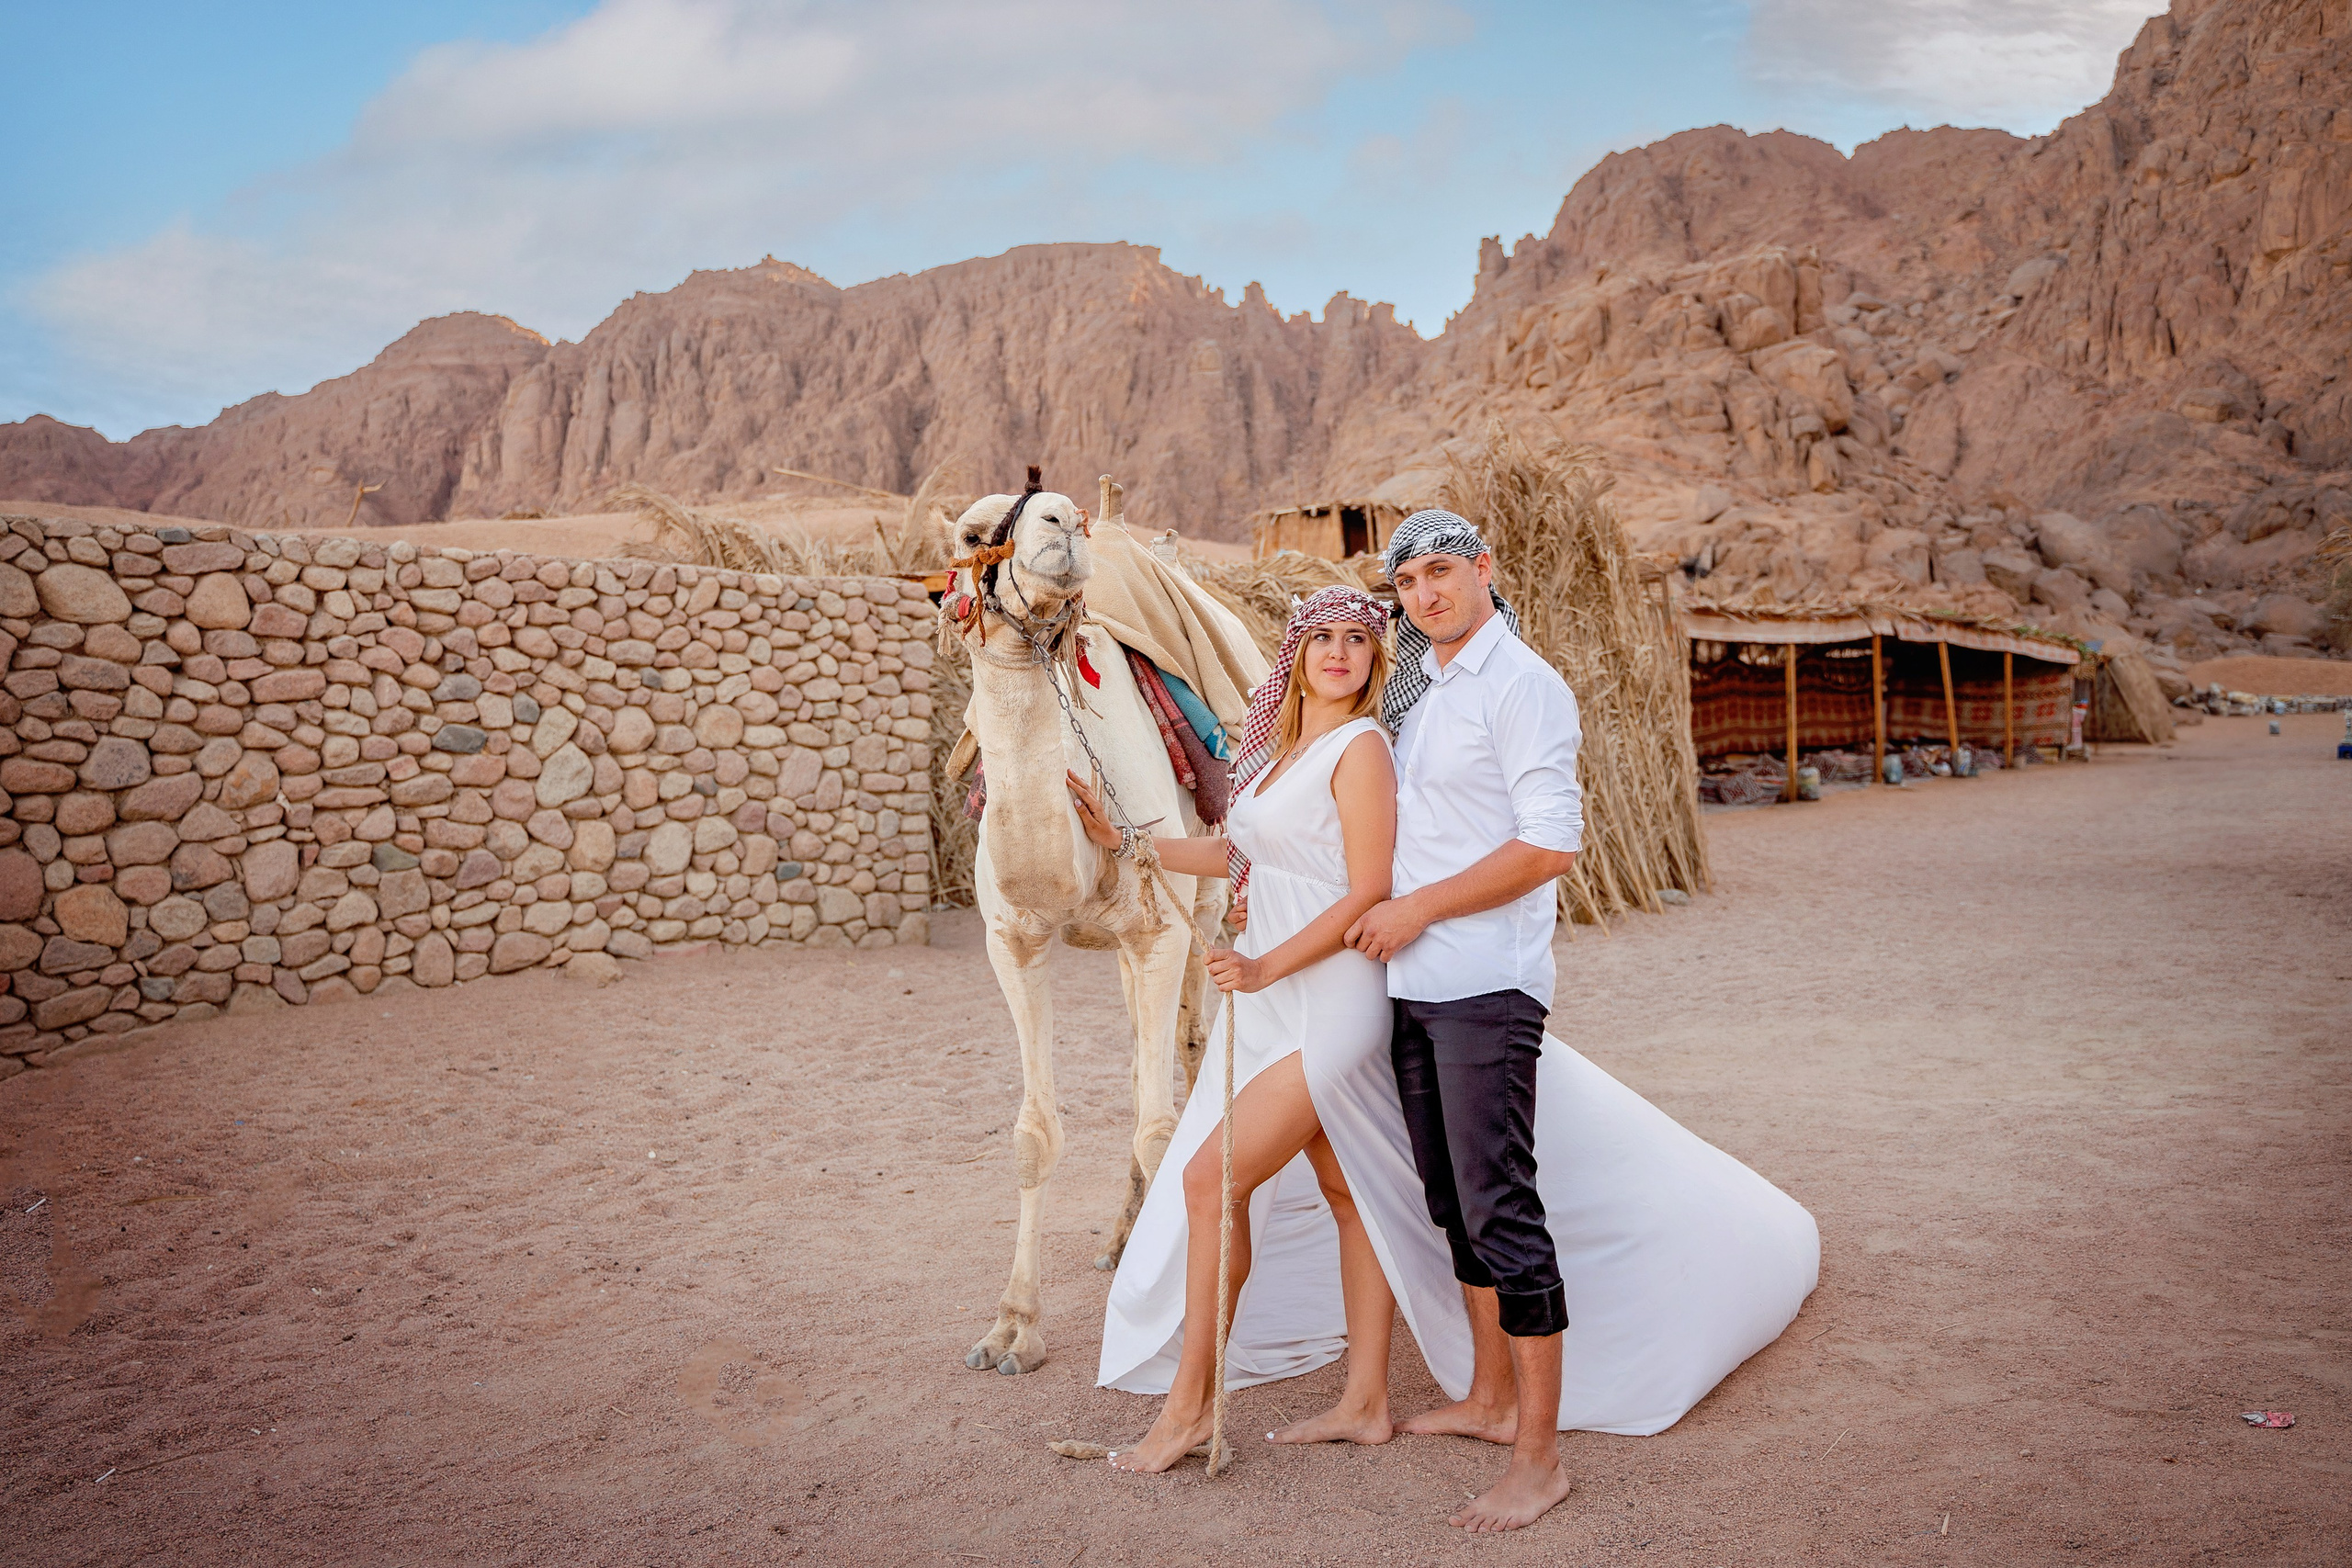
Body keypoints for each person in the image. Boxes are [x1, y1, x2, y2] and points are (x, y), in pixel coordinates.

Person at [1085, 525, 1821, 1535]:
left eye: (1440, 572)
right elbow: (1283, 852)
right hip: (1399, 985)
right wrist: (1129, 841)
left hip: (1468, 980)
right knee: (1411, 1199)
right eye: (1407, 581)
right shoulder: (1415, 690)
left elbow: (1544, 844)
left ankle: (1532, 1458)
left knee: (1491, 1207)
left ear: (1485, 572)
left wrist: (1391, 917)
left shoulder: (1520, 688)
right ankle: (1446, 1397)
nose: (1421, 594)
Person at [1082, 585, 1408, 1473]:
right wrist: (1129, 841)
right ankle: (1368, 1402)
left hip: (1332, 998)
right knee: (1349, 1195)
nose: (1338, 652)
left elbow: (1367, 889)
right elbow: (1239, 855)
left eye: (1356, 640)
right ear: (1297, 654)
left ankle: (1189, 1410)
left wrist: (1265, 964)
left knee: (1206, 1180)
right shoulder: (1279, 755)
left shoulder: (1362, 747)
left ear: (1376, 660)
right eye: (1321, 637)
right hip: (1268, 1002)